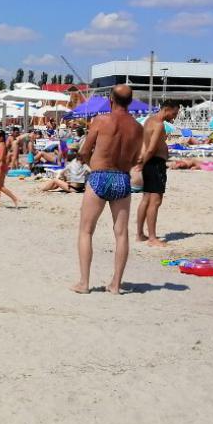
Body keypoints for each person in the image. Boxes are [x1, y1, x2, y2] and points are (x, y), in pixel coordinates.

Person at [72, 86, 144, 294]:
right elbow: (134, 159)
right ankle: (116, 284)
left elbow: (85, 150)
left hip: (99, 177)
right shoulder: (137, 128)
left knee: (86, 230)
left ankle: (84, 283)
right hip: (122, 179)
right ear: (130, 101)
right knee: (121, 234)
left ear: (111, 99)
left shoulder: (101, 121)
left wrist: (88, 161)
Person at [136, 100, 178, 247]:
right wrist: (141, 164)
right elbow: (151, 148)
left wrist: (141, 161)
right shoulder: (159, 124)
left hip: (149, 163)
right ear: (167, 109)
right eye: (174, 113)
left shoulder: (149, 121)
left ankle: (140, 234)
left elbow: (144, 144)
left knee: (146, 199)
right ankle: (152, 238)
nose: (174, 117)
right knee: (155, 201)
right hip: (155, 164)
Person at [0, 130, 21, 208]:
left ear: (1, 137)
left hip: (1, 166)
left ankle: (14, 199)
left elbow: (1, 157)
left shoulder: (2, 145)